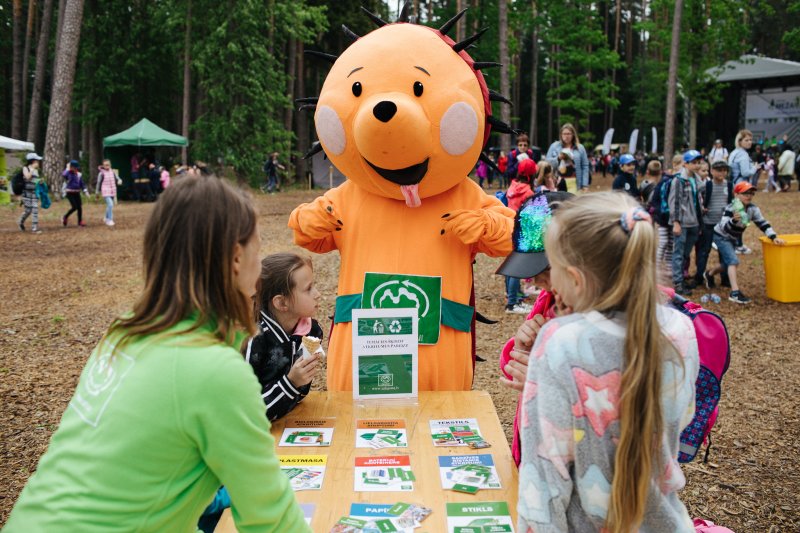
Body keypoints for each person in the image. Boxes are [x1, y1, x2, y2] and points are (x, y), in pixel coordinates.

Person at [4, 177, 310, 532]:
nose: (261, 268)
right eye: (258, 248)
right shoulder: (213, 369)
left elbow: (146, 483)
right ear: (237, 259)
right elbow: (271, 519)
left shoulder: (124, 333)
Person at [518, 192, 699, 533]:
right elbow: (680, 417)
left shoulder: (559, 342)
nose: (545, 282)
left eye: (552, 268)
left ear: (576, 278)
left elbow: (542, 486)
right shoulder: (681, 330)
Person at [495, 191, 573, 467]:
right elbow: (512, 369)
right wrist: (520, 346)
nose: (534, 278)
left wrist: (543, 385)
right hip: (535, 458)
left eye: (544, 269)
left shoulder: (607, 324)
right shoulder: (549, 298)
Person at [245, 252, 323, 421]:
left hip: (288, 422)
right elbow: (243, 412)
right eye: (308, 289)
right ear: (281, 303)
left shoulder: (313, 332)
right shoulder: (253, 339)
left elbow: (300, 394)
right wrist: (291, 382)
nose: (317, 294)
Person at [705, 181, 786, 304]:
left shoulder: (753, 209)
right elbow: (723, 227)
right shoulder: (731, 208)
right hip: (720, 236)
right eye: (745, 193)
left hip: (732, 238)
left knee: (728, 263)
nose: (749, 196)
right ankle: (735, 293)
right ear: (736, 195)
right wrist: (732, 220)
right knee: (733, 261)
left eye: (751, 193)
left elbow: (763, 223)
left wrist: (773, 237)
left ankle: (709, 274)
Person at [669, 150, 704, 295]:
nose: (696, 166)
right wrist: (676, 222)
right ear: (686, 163)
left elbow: (698, 200)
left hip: (694, 222)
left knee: (685, 253)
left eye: (698, 163)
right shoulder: (679, 180)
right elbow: (675, 202)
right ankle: (677, 283)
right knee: (678, 252)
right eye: (693, 163)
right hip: (682, 222)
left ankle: (681, 278)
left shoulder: (696, 179)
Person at [695, 161, 733, 289]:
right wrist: (702, 209)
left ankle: (725, 278)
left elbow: (731, 202)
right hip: (708, 223)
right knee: (704, 251)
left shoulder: (729, 185)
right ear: (712, 171)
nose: (722, 173)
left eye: (724, 170)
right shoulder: (707, 185)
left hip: (723, 225)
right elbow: (696, 197)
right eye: (718, 170)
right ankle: (699, 276)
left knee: (724, 252)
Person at [546, 123, 590, 191]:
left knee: (573, 201)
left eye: (569, 134)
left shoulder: (580, 148)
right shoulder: (554, 146)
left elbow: (585, 166)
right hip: (557, 182)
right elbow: (547, 164)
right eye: (564, 134)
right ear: (561, 135)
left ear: (573, 135)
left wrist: (585, 184)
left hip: (574, 182)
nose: (566, 136)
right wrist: (558, 158)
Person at [18, 152, 43, 234]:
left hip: (34, 192)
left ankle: (34, 228)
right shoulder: (25, 168)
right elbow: (27, 177)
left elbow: (35, 181)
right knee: (28, 210)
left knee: (35, 209)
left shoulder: (36, 171)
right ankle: (20, 222)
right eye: (37, 161)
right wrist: (32, 169)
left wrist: (40, 181)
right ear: (33, 161)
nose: (38, 162)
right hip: (26, 193)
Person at [62, 160, 88, 227]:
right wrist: (67, 169)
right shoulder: (67, 173)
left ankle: (80, 221)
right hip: (69, 192)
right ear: (71, 167)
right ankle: (65, 217)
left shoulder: (79, 174)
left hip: (77, 192)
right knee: (74, 207)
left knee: (79, 207)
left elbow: (82, 184)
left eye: (76, 167)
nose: (76, 169)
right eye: (74, 167)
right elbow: (64, 174)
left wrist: (85, 191)